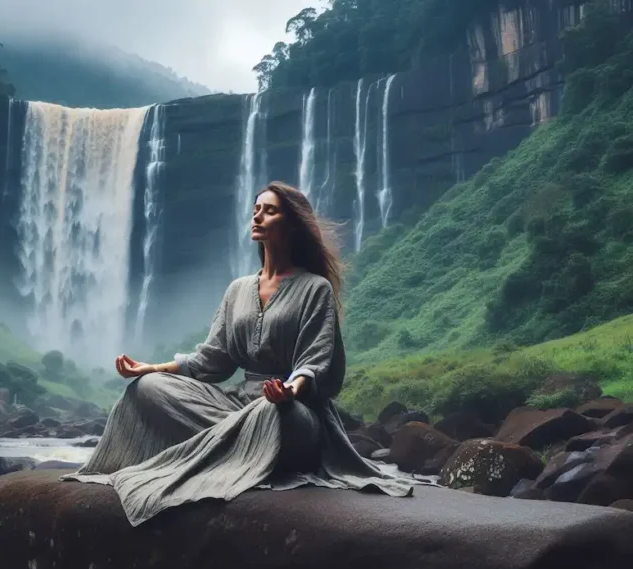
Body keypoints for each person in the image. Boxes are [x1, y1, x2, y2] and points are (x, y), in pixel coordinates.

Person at [61, 181, 426, 527]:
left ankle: (225, 446)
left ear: (293, 224)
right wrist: (150, 367)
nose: (257, 216)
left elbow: (314, 363)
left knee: (271, 412)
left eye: (269, 211)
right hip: (238, 406)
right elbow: (211, 361)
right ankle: (234, 446)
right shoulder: (238, 289)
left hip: (291, 413)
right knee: (149, 388)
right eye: (256, 210)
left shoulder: (316, 289)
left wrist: (289, 391)